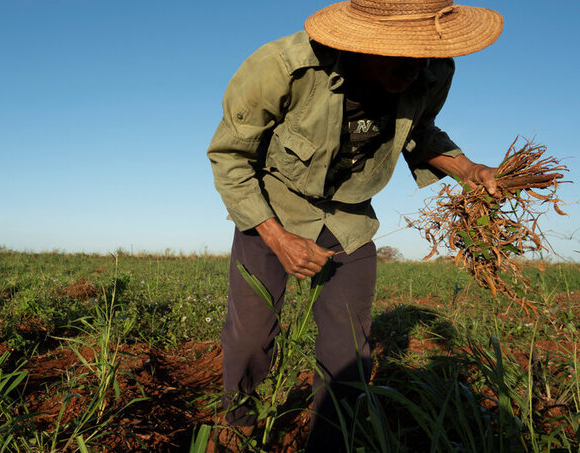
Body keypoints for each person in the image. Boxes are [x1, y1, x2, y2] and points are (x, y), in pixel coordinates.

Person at [206, 1, 502, 451]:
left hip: (349, 217)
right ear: (364, 41)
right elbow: (231, 157)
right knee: (249, 334)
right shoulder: (283, 67)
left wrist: (469, 169)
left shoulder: (433, 71)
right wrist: (277, 236)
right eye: (402, 53)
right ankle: (239, 425)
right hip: (272, 207)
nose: (416, 65)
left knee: (349, 347)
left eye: (423, 51)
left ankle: (332, 439)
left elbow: (420, 132)